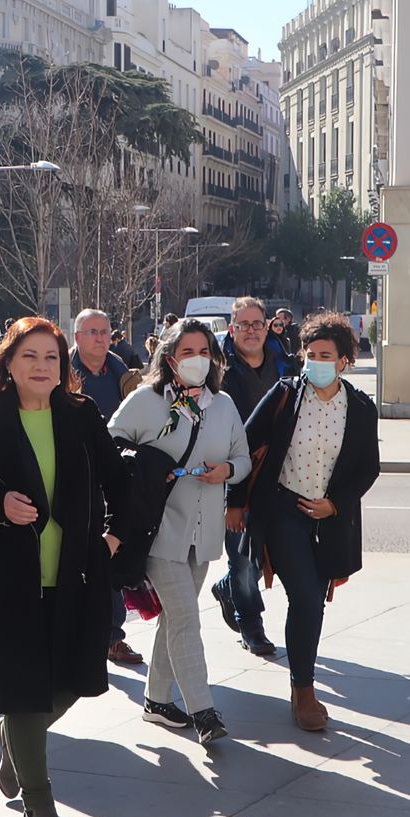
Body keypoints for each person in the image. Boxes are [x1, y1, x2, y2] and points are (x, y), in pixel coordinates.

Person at [0, 317, 130, 817]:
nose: (42, 367)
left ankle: (12, 738)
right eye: (30, 357)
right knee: (23, 693)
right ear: (9, 364)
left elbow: (119, 483)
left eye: (51, 358)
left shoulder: (81, 415)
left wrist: (111, 540)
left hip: (74, 576)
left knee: (70, 681)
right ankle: (39, 806)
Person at [229, 312, 380, 733]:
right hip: (283, 509)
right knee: (307, 597)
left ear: (344, 360)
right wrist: (236, 501)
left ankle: (233, 593)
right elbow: (246, 442)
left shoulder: (361, 408)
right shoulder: (285, 394)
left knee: (316, 597)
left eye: (325, 355)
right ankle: (303, 690)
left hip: (330, 518)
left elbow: (369, 467)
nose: (316, 361)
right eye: (310, 354)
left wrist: (336, 504)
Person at [108, 319, 248, 746]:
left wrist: (226, 470)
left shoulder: (222, 404)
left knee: (175, 618)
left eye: (204, 351)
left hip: (203, 535)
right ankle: (203, 711)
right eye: (187, 352)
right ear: (169, 359)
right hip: (160, 530)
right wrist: (146, 466)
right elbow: (107, 446)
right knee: (186, 618)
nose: (197, 360)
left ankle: (156, 702)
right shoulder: (145, 401)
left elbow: (242, 458)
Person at [209, 297, 294, 657]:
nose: (251, 331)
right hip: (237, 476)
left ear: (268, 326)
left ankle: (228, 587)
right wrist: (233, 496)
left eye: (257, 323)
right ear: (232, 329)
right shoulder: (221, 374)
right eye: (243, 325)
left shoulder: (285, 364)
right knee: (243, 557)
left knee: (268, 553)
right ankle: (251, 626)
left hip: (279, 476)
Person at [69, 308, 145, 666]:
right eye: (92, 332)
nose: (100, 338)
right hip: (74, 474)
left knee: (111, 551)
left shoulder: (121, 370)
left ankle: (113, 636)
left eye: (104, 331)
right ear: (77, 336)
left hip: (114, 474)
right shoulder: (63, 371)